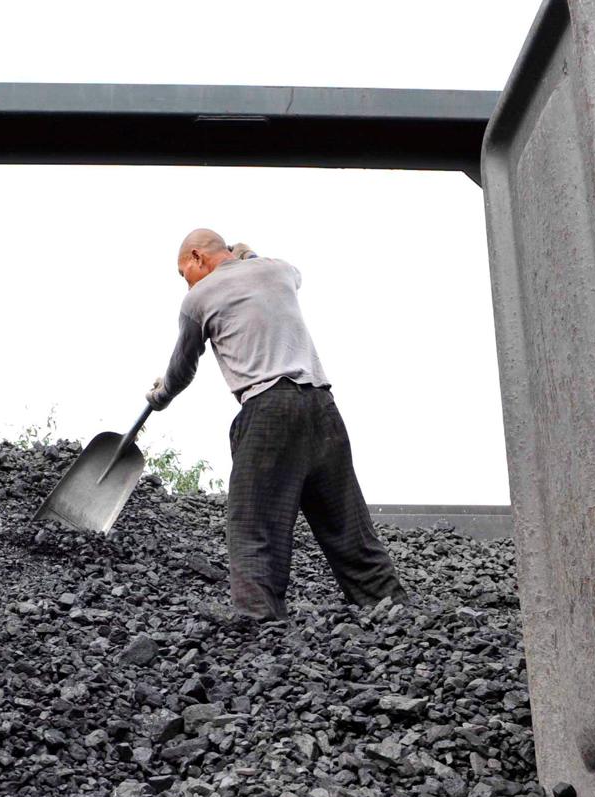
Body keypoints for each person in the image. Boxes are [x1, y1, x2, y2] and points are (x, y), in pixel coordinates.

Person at [147, 228, 405, 621]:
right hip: (323, 408)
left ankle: (259, 624)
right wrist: (249, 254)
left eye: (185, 272)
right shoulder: (278, 270)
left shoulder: (198, 297)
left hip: (269, 408)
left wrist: (160, 395)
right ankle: (393, 611)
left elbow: (182, 369)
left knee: (253, 525)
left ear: (197, 257)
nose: (187, 282)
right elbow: (289, 272)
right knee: (347, 525)